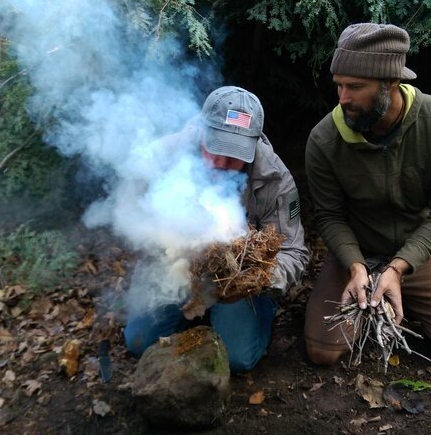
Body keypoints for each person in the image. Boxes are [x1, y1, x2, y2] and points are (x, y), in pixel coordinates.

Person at [303, 23, 431, 369]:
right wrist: (355, 264)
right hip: (356, 250)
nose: (343, 98)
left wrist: (400, 267)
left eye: (355, 87)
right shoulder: (324, 139)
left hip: (419, 248)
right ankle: (372, 288)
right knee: (323, 352)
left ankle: (399, 290)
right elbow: (329, 215)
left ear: (391, 83)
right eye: (339, 85)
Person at [124, 86, 310, 372]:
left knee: (236, 359)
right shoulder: (170, 153)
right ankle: (196, 313)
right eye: (216, 149)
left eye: (234, 154)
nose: (222, 163)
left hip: (238, 287)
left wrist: (256, 276)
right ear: (201, 132)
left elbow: (293, 252)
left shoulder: (274, 178)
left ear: (253, 143)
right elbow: (131, 214)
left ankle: (240, 319)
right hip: (180, 273)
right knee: (138, 341)